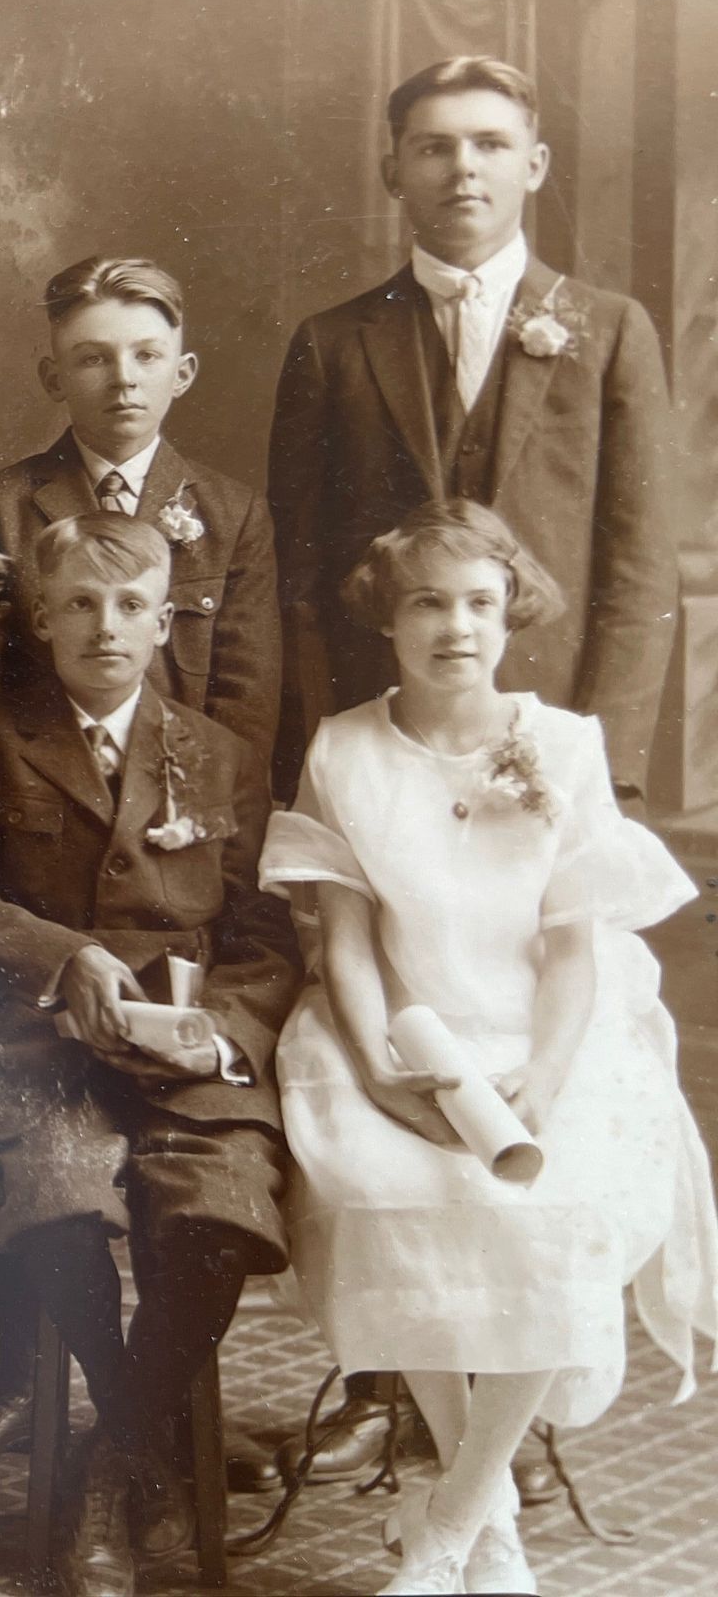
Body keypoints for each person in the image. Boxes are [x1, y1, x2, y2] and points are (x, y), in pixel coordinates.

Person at [259, 499, 718, 1596]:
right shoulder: (346, 747)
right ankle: (488, 1516)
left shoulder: (562, 746)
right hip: (397, 1030)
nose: (455, 627)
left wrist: (544, 1079)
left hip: (548, 1031)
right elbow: (346, 940)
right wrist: (380, 1070)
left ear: (512, 614)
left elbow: (572, 949)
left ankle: (455, 1518)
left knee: (558, 1213)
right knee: (392, 1195)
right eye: (428, 603)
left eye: (479, 602)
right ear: (388, 619)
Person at [0, 512, 299, 1597]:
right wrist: (58, 953)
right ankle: (140, 1461)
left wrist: (226, 1031)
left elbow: (266, 936)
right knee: (58, 1212)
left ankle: (110, 1462)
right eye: (78, 603)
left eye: (129, 606)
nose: (104, 627)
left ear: (165, 623)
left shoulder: (218, 756)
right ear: (41, 617)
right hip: (46, 1054)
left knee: (218, 1215)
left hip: (186, 1063)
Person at [267, 56, 675, 805]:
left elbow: (639, 572)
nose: (463, 168)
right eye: (435, 147)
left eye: (490, 144)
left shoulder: (611, 331)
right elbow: (298, 572)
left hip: (553, 733)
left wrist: (605, 768)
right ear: (393, 171)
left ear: (535, 165)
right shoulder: (331, 343)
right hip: (377, 736)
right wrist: (325, 746)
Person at [0, 254, 280, 767]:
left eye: (147, 356)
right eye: (93, 359)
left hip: (185, 786)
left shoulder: (233, 514)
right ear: (54, 379)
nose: (124, 379)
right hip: (37, 787)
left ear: (182, 373)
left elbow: (245, 703)